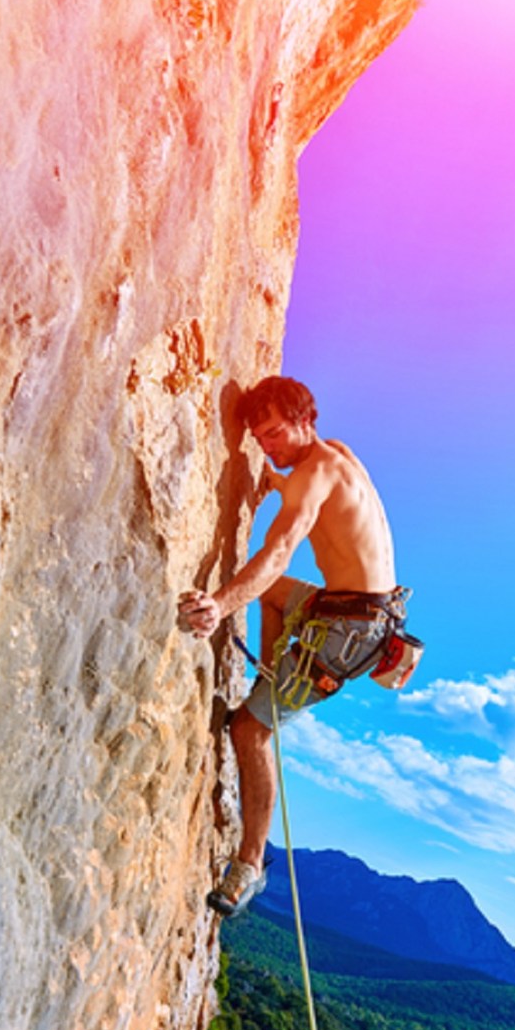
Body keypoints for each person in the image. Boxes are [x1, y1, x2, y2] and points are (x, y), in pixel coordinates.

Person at [179, 376, 406, 917]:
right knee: (273, 595)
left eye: (276, 433)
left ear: (307, 421)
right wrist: (277, 482)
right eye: (259, 438)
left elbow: (281, 548)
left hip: (347, 634)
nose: (268, 446)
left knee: (248, 730)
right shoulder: (337, 455)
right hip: (357, 612)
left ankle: (249, 866)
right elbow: (319, 502)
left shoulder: (313, 473)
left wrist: (219, 604)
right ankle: (269, 678)